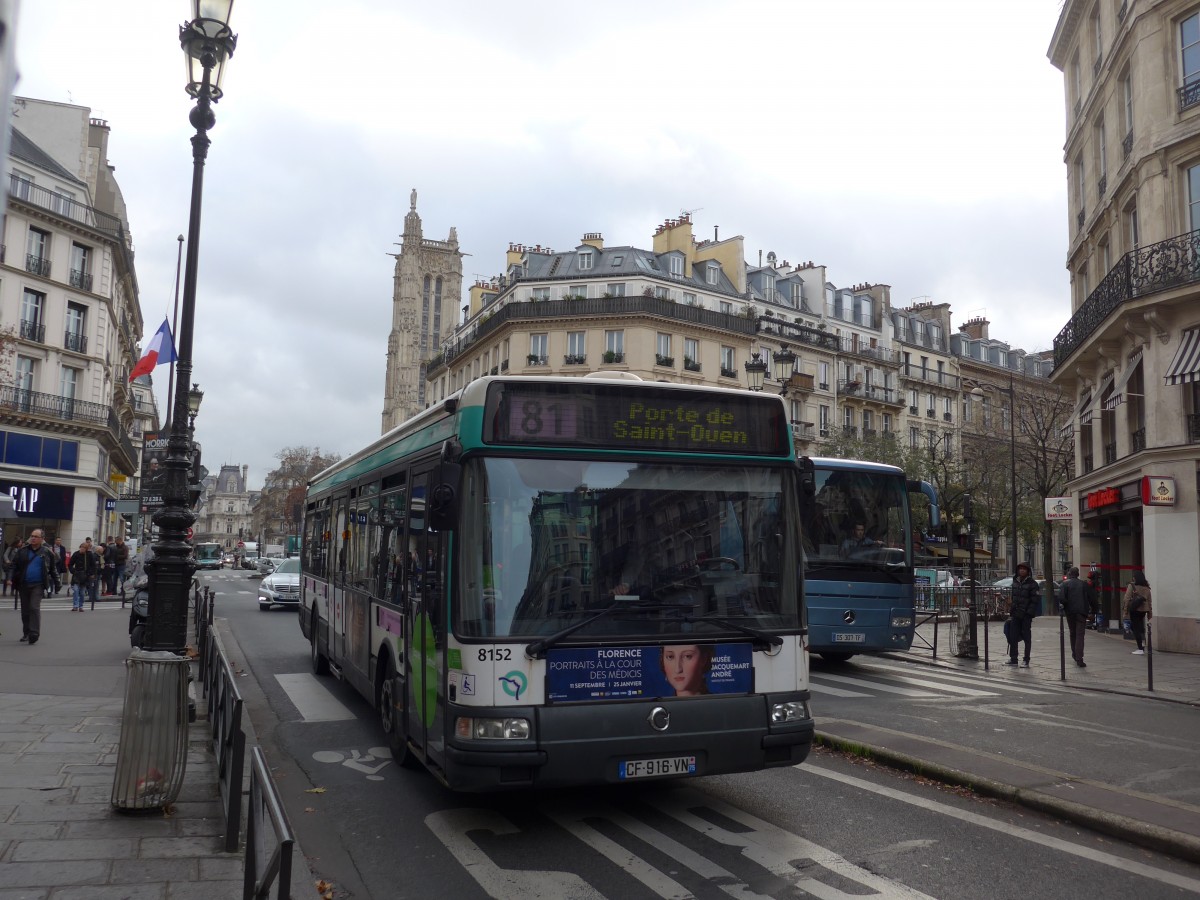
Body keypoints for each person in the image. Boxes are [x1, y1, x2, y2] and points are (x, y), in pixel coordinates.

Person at [11, 529, 60, 644]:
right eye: (32, 536)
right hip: (24, 584)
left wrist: (58, 583)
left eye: (36, 536)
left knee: (34, 607)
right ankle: (26, 633)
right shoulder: (22, 551)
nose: (33, 538)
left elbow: (53, 569)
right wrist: (10, 578)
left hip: (38, 584)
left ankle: (34, 633)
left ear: (42, 539)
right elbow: (14, 565)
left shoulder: (47, 552)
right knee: (25, 611)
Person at [1059, 566, 1098, 667]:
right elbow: (1092, 599)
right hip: (1081, 612)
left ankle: (1075, 654)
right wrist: (1093, 611)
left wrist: (1067, 606)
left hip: (1070, 612)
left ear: (1069, 574)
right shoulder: (1084, 584)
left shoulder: (1064, 584)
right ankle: (1079, 658)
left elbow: (1062, 599)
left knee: (1073, 633)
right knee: (1080, 635)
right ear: (1078, 574)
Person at [1006, 562, 1040, 667]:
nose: (1021, 570)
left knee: (1026, 637)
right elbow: (1014, 597)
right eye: (1020, 569)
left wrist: (1028, 613)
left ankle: (1026, 659)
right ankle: (1013, 659)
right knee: (1013, 636)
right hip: (1016, 613)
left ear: (1028, 571)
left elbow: (1034, 601)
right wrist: (1012, 610)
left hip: (1025, 615)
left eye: (1024, 569)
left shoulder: (1033, 584)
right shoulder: (1015, 582)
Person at [1124, 571, 1152, 654]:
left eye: (1134, 576)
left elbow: (1127, 598)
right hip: (1143, 610)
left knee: (1135, 628)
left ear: (1135, 578)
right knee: (1136, 626)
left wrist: (1125, 610)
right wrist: (1150, 613)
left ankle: (1140, 649)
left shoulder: (1132, 585)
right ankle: (1141, 643)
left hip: (1134, 609)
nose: (1133, 578)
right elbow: (1149, 601)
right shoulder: (1147, 588)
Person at [67, 541, 100, 612]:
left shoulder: (89, 555)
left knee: (82, 592)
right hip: (76, 575)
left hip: (85, 576)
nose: (82, 549)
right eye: (81, 547)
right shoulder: (76, 554)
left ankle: (81, 606)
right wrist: (73, 571)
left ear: (86, 549)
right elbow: (70, 564)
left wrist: (91, 574)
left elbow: (93, 565)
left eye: (84, 548)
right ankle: (75, 606)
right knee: (76, 590)